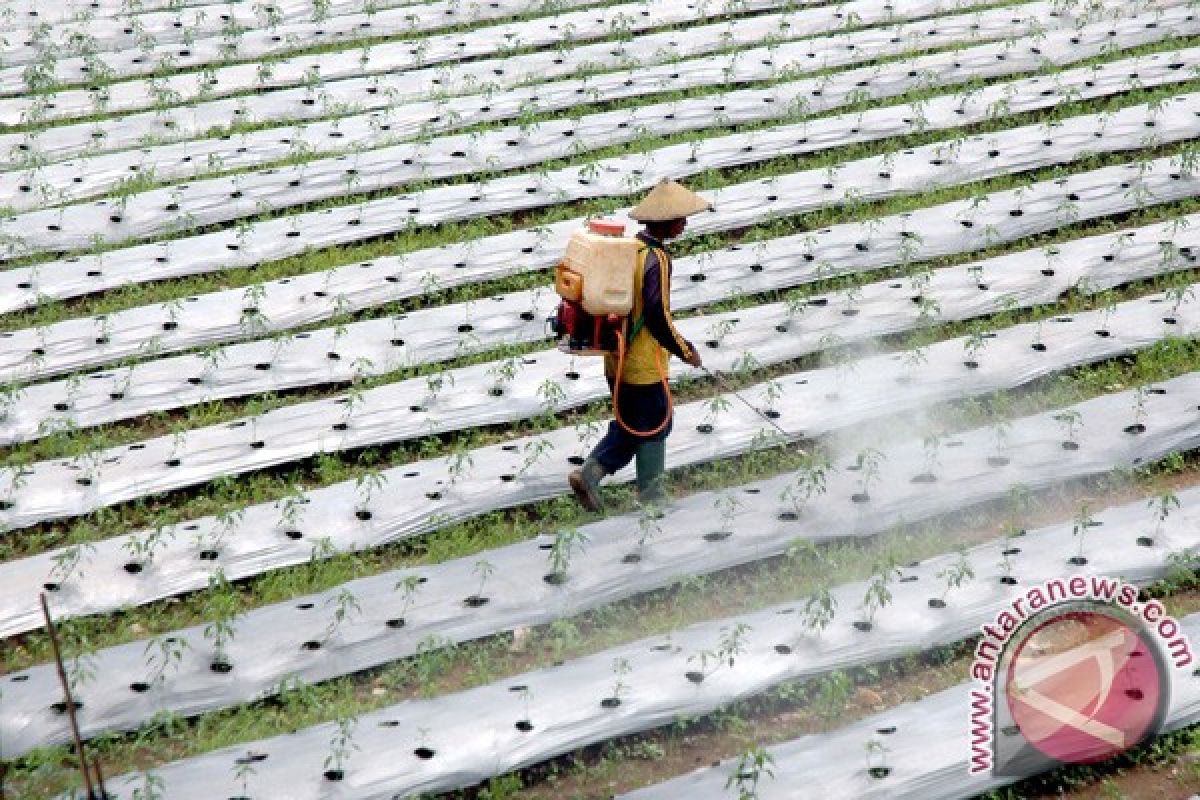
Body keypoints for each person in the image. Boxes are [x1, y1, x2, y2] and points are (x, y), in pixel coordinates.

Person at [568, 178, 710, 511]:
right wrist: (684, 349)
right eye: (682, 218)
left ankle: (589, 475)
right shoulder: (656, 258)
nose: (685, 223)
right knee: (657, 424)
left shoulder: (626, 250)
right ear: (667, 222)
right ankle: (653, 498)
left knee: (630, 424)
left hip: (615, 357)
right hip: (644, 363)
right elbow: (657, 315)